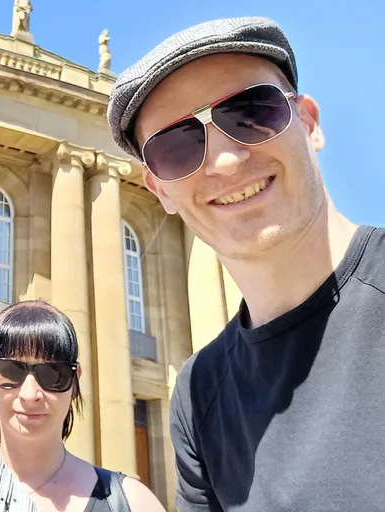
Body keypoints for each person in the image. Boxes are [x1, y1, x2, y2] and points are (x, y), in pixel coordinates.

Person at [107, 16, 385, 512]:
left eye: (251, 112)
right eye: (176, 146)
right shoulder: (197, 395)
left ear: (309, 123)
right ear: (159, 190)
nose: (226, 161)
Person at [0, 300, 163, 511]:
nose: (29, 395)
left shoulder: (134, 503)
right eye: (11, 371)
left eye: (52, 374)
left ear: (75, 381)